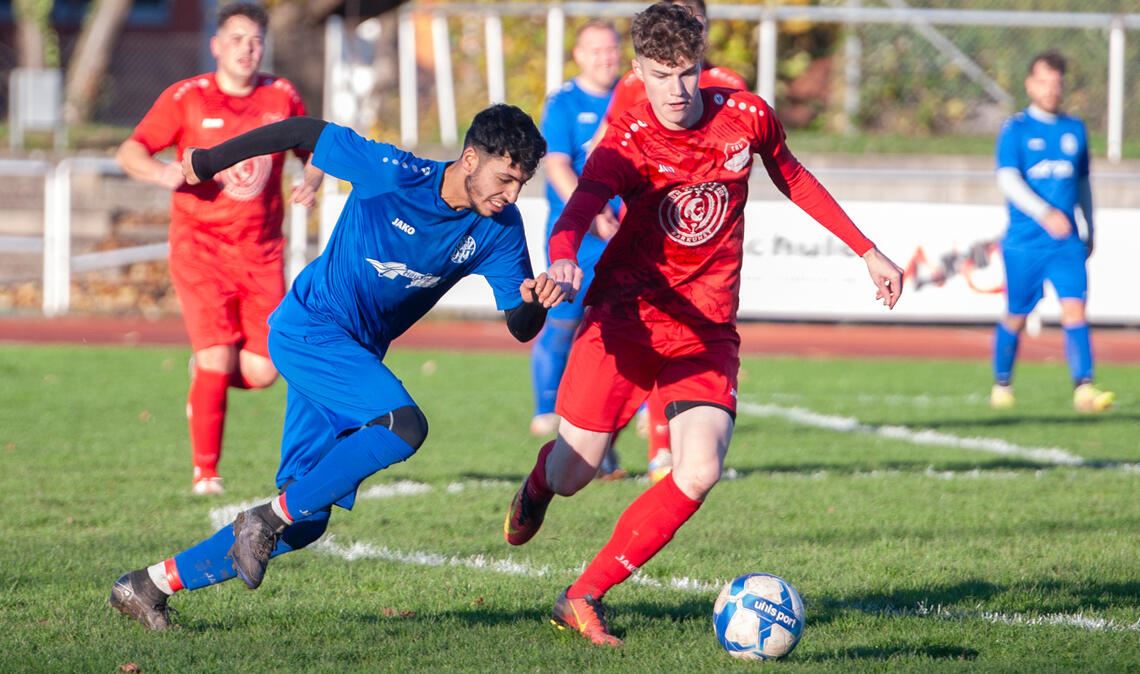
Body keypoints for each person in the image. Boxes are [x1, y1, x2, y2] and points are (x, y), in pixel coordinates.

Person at [502, 2, 903, 647]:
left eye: (687, 72)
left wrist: (867, 249)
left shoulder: (745, 116)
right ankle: (541, 484)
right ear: (640, 72)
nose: (678, 90)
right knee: (578, 473)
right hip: (625, 321)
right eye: (662, 75)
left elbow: (793, 176)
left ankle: (582, 594)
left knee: (698, 470)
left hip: (705, 330)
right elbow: (577, 209)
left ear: (703, 62)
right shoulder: (628, 139)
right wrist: (564, 259)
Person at [109, 104, 563, 631]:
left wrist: (537, 302)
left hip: (350, 357)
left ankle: (146, 586)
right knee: (404, 425)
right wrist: (210, 160)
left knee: (303, 519)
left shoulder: (500, 228)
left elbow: (521, 325)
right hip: (310, 329)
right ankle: (259, 519)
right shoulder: (393, 173)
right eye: (506, 178)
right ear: (469, 158)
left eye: (521, 183)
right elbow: (303, 131)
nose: (511, 194)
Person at [115, 3, 309, 495]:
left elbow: (314, 148)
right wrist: (160, 171)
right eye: (238, 38)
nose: (248, 47)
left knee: (264, 372)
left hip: (262, 252)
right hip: (200, 248)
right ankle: (206, 473)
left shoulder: (281, 95)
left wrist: (313, 177)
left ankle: (206, 371)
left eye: (256, 39)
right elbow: (131, 149)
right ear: (217, 45)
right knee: (218, 356)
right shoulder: (188, 97)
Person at [598, 0, 749, 486]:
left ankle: (664, 449)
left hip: (699, 241)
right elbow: (612, 141)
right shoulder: (633, 83)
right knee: (625, 342)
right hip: (642, 231)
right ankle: (600, 441)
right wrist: (599, 201)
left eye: (694, 20)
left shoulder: (729, 86)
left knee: (687, 339)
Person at [529, 20, 627, 479]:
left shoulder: (633, 92)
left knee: (624, 323)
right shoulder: (564, 101)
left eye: (612, 49)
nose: (606, 57)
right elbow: (557, 164)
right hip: (577, 233)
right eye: (596, 50)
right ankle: (547, 407)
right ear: (578, 55)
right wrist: (591, 214)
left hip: (624, 233)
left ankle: (622, 418)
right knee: (564, 320)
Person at [990, 51, 1113, 413]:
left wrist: (1090, 226)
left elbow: (1084, 183)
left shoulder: (1075, 129)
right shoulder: (1016, 129)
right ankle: (1002, 383)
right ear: (1030, 84)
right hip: (1025, 242)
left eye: (1056, 83)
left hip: (1066, 243)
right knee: (1016, 312)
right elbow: (1007, 179)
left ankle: (1084, 388)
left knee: (1075, 310)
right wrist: (1044, 213)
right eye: (1043, 81)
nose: (1050, 89)